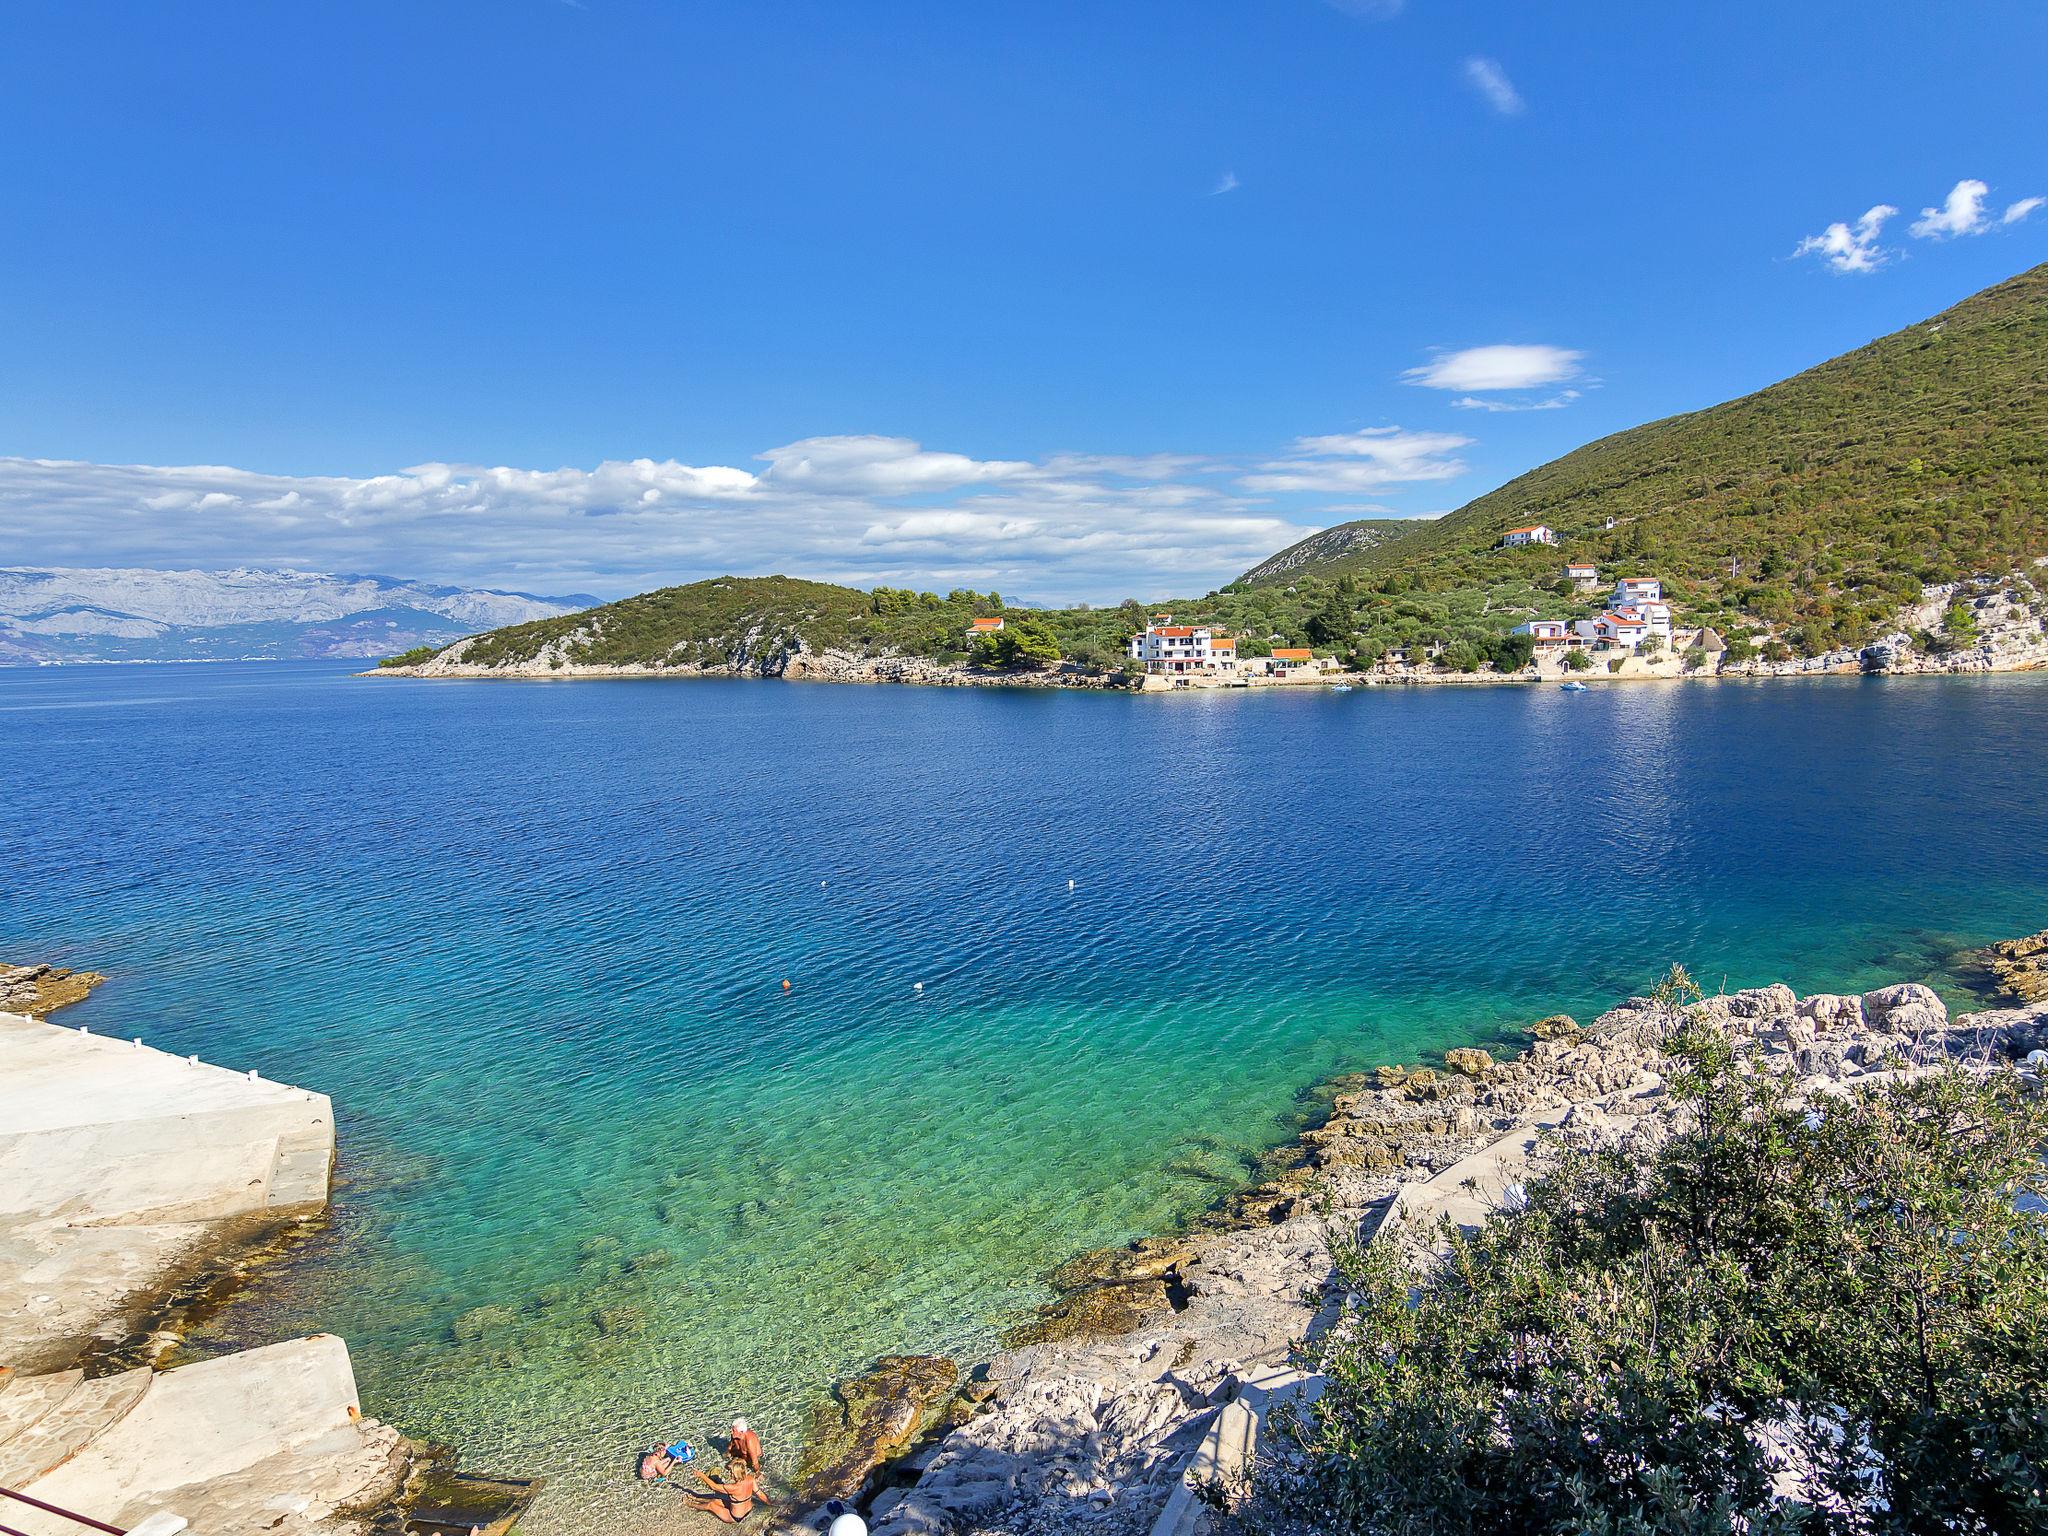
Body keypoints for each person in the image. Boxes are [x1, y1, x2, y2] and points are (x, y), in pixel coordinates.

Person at [682, 1461, 766, 1524]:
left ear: (736, 1474)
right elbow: (759, 1493)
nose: (730, 1474)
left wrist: (702, 1475)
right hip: (748, 1510)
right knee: (715, 1500)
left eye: (731, 1472)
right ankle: (696, 1498)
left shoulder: (733, 1487)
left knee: (710, 1505)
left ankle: (690, 1504)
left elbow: (714, 1486)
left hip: (735, 1517)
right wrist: (769, 1502)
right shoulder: (751, 1479)